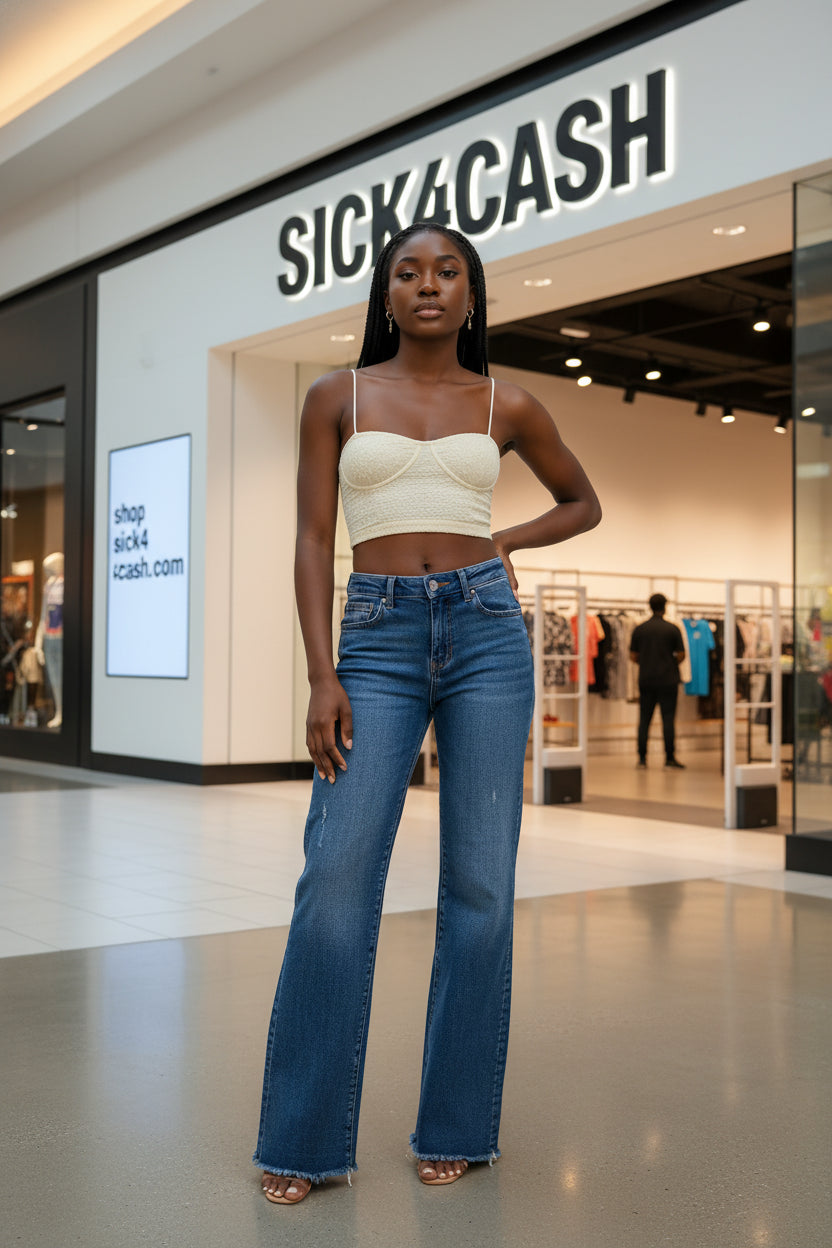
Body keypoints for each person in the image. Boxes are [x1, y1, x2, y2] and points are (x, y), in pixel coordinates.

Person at [254, 223, 601, 1205]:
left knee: (482, 889)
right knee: (336, 879)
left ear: (473, 294)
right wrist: (323, 673)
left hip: (487, 636)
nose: (428, 285)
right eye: (408, 272)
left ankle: (457, 1126)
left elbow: (583, 501)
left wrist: (501, 543)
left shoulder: (507, 402)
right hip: (374, 640)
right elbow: (312, 537)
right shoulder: (338, 395)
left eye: (447, 271)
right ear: (385, 294)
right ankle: (305, 1137)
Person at [630, 593, 686, 769]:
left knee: (644, 719)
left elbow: (633, 655)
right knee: (668, 719)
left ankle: (642, 758)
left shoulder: (640, 629)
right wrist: (669, 662)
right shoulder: (672, 629)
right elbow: (682, 655)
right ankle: (669, 758)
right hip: (668, 679)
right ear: (665, 606)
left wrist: (646, 661)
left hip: (646, 679)